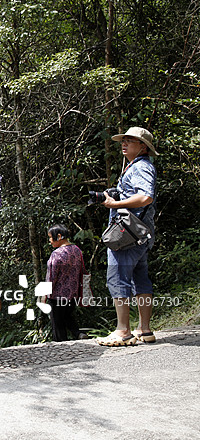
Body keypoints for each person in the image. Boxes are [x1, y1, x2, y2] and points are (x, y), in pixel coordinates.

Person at [98, 127, 158, 346]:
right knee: (140, 278)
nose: (124, 144)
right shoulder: (137, 166)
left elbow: (145, 197)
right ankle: (144, 329)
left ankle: (123, 331)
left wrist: (115, 204)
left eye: (130, 141)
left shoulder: (141, 167)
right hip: (140, 234)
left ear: (143, 147)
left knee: (118, 276)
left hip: (128, 235)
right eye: (124, 140)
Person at [41, 224, 83, 342]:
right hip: (73, 293)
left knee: (58, 323)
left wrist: (45, 295)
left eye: (50, 237)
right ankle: (78, 333)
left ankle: (61, 345)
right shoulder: (77, 250)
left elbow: (51, 277)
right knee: (68, 316)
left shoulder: (57, 254)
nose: (50, 241)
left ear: (59, 236)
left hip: (57, 295)